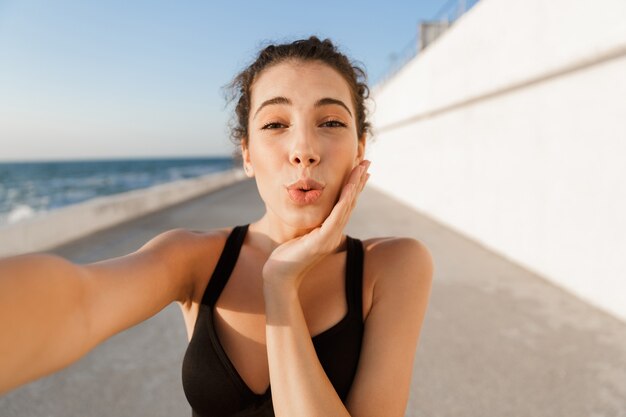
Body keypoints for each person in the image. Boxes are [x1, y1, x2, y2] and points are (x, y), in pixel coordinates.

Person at [0, 36, 434, 417]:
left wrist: (280, 285)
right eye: (275, 125)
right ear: (247, 154)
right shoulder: (196, 260)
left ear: (360, 146)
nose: (303, 149)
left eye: (331, 122)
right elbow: (81, 302)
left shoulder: (392, 266)